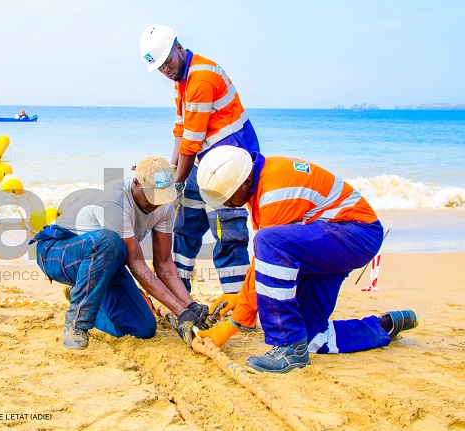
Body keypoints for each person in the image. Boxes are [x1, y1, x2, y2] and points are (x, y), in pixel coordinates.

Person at [195, 146, 418, 373]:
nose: (228, 204)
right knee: (313, 337)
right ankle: (385, 326)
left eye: (228, 196)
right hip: (330, 238)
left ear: (244, 182)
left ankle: (287, 346)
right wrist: (240, 297)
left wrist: (234, 324)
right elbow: (265, 260)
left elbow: (271, 251)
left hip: (354, 233)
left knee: (268, 242)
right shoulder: (263, 178)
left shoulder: (275, 192)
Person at [30, 156, 211, 350]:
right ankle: (77, 323)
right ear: (136, 183)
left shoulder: (164, 206)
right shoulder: (115, 201)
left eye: (162, 197)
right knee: (110, 241)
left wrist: (190, 306)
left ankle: (81, 295)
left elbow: (164, 262)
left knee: (143, 328)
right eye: (153, 197)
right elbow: (137, 264)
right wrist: (180, 311)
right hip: (57, 253)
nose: (157, 204)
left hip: (102, 263)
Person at [139, 24, 260, 303]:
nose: (166, 71)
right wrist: (170, 177)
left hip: (230, 165)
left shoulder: (201, 78)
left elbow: (191, 144)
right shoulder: (181, 81)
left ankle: (237, 304)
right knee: (185, 227)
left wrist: (175, 186)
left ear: (179, 49)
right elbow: (180, 132)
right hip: (205, 162)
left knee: (228, 233)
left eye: (167, 62)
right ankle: (179, 297)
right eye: (160, 68)